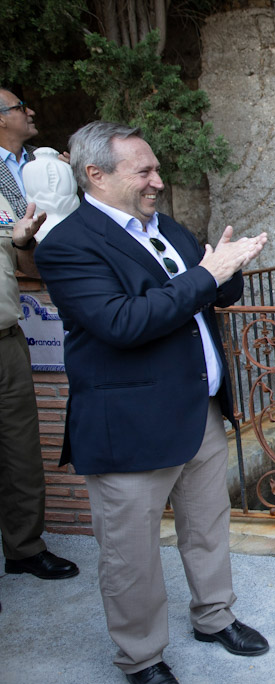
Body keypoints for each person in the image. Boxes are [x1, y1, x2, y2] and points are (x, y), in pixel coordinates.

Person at [34, 121, 269, 684]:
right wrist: (205, 275)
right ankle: (142, 657)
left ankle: (215, 617)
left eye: (155, 169)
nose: (158, 182)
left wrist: (226, 270)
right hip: (130, 428)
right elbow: (123, 323)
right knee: (130, 554)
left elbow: (211, 296)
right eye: (144, 171)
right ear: (96, 175)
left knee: (208, 529)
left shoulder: (169, 230)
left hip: (200, 413)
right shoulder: (68, 245)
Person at [1, 90, 79, 615]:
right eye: (18, 106)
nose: (31, 111)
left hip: (7, 335)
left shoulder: (31, 169)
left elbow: (30, 244)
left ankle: (25, 549)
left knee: (21, 449)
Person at [0, 87, 38, 218]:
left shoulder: (42, 156)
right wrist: (46, 181)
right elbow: (7, 220)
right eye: (21, 107)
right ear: (1, 120)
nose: (31, 112)